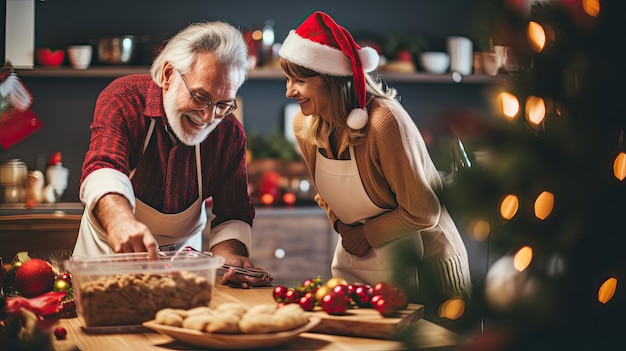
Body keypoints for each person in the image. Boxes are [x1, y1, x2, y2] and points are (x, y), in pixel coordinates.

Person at [278, 11, 472, 306]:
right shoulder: (304, 127)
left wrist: (365, 235)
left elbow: (423, 211)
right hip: (358, 266)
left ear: (331, 79)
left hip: (428, 276)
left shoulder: (384, 123)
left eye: (299, 80)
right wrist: (344, 229)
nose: (289, 91)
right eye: (288, 79)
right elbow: (326, 196)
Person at [72, 21, 272, 288]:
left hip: (181, 274)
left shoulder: (229, 133)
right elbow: (104, 165)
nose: (209, 117)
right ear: (168, 75)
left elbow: (233, 212)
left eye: (223, 104)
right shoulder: (124, 99)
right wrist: (120, 221)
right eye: (200, 97)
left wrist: (229, 258)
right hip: (104, 263)